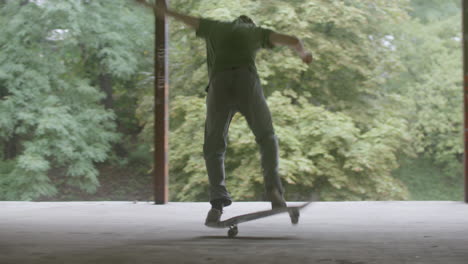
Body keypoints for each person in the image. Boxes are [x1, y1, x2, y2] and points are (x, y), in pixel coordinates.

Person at [155, 5, 312, 225]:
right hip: (246, 82)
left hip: (218, 85)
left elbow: (181, 17)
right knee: (266, 136)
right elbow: (293, 40)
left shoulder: (216, 28)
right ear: (250, 24)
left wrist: (156, 7)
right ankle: (274, 192)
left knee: (214, 145)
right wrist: (304, 54)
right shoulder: (253, 32)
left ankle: (217, 203)